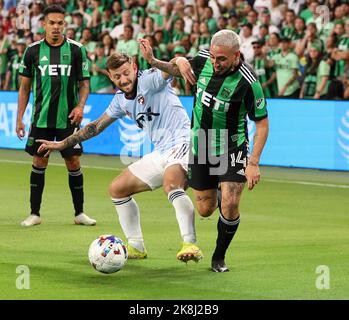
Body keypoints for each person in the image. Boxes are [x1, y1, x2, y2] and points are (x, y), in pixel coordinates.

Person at [36, 51, 203, 263]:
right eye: (117, 76)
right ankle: (135, 246)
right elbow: (95, 127)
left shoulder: (149, 79)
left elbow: (173, 69)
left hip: (183, 143)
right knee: (117, 189)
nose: (123, 79)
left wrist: (174, 60)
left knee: (172, 185)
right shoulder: (120, 101)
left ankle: (190, 243)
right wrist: (63, 143)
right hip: (161, 151)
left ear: (134, 67)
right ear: (110, 77)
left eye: (126, 73)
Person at [138, 29, 269, 272]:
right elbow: (179, 68)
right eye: (213, 57)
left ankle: (218, 258)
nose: (215, 63)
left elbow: (262, 124)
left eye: (222, 59)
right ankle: (220, 191)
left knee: (230, 204)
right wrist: (156, 61)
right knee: (206, 209)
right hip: (202, 143)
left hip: (232, 146)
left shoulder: (249, 83)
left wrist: (253, 162)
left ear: (236, 55)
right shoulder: (203, 59)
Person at [16, 5, 96, 227]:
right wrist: (19, 118)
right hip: (41, 118)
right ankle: (35, 214)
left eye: (60, 23)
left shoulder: (77, 50)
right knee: (40, 160)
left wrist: (80, 106)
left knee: (73, 161)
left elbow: (84, 83)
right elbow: (24, 88)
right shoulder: (32, 51)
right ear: (44, 24)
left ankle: (80, 213)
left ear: (65, 24)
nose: (56, 27)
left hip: (69, 119)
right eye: (52, 23)